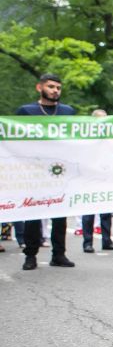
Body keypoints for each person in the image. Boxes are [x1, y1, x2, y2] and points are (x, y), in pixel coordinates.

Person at [16, 73, 76, 270]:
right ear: (39, 88)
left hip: (60, 171)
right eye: (51, 87)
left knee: (60, 214)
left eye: (58, 87)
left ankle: (58, 254)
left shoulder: (67, 112)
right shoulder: (26, 111)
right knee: (34, 213)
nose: (55, 91)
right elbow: (14, 140)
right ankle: (30, 255)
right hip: (34, 172)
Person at [81, 109, 113, 253]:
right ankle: (87, 242)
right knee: (89, 211)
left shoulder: (110, 139)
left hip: (106, 176)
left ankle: (107, 240)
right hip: (90, 178)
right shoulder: (87, 139)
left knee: (106, 212)